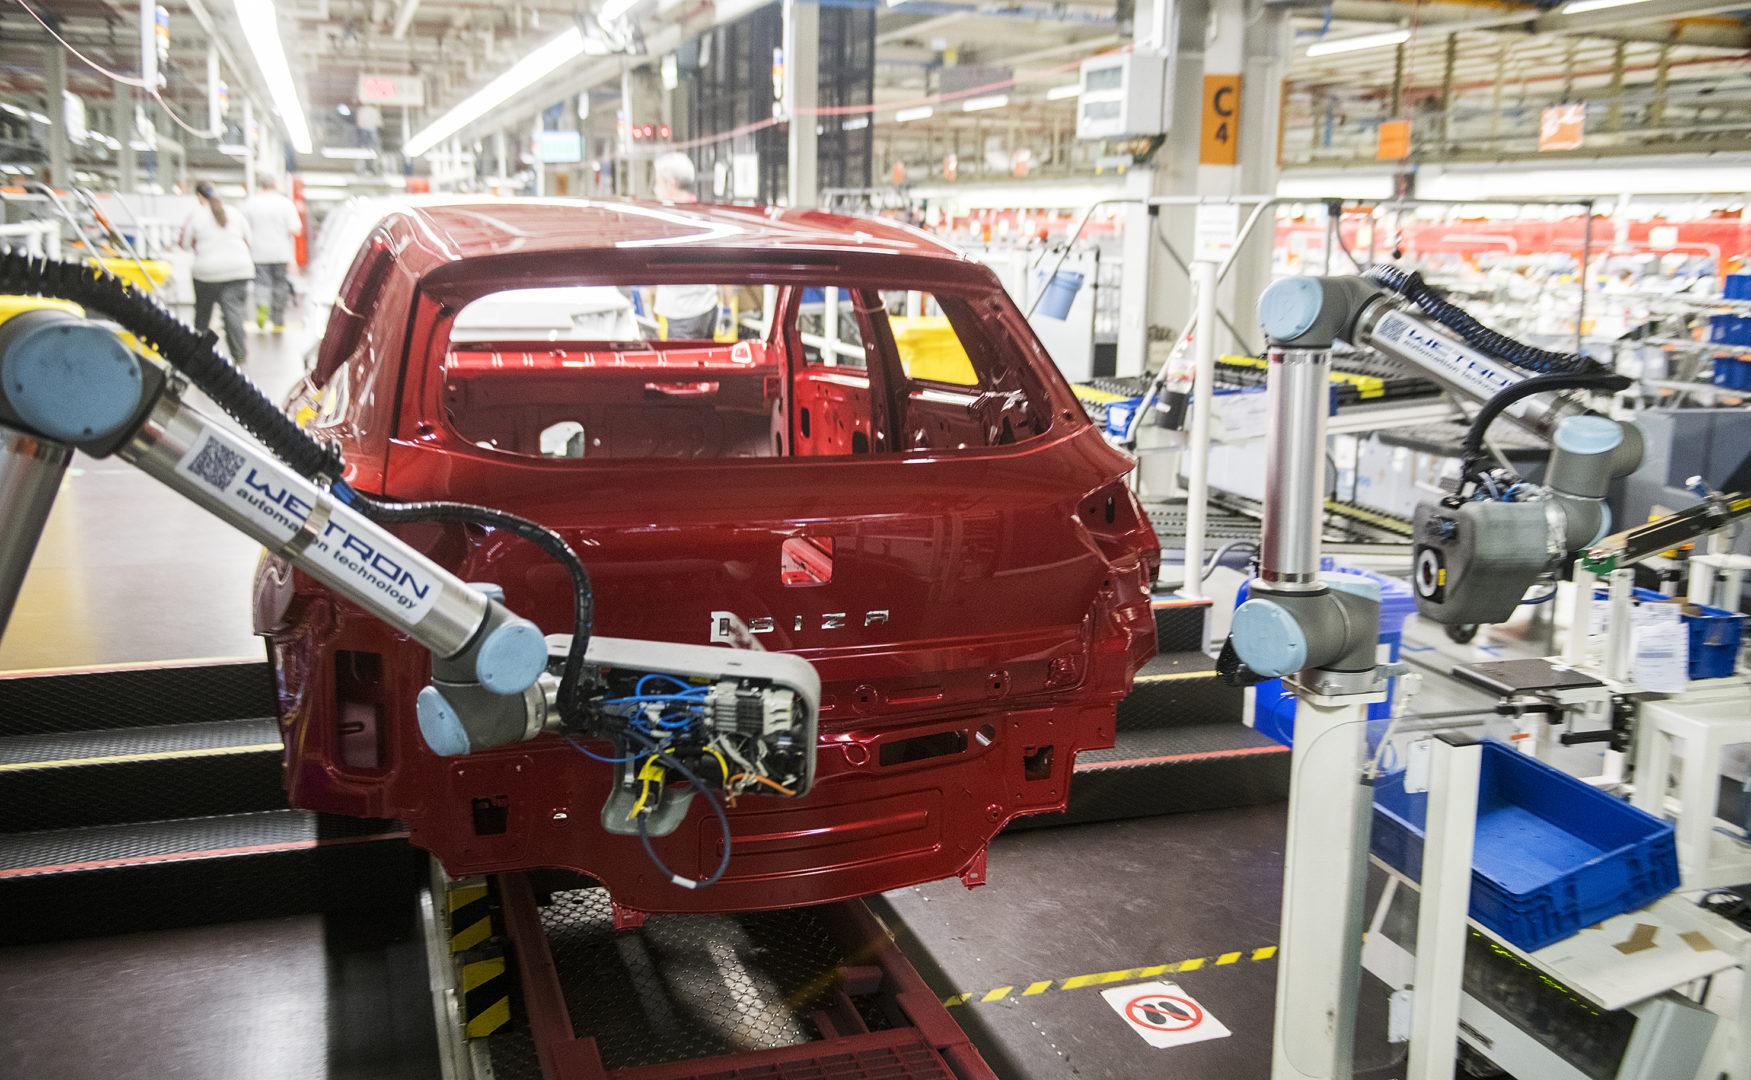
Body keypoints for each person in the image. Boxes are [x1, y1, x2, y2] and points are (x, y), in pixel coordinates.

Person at [180, 181, 254, 364]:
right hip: (239, 269)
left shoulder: (195, 217)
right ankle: (239, 354)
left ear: (199, 197)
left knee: (203, 315)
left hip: (207, 273)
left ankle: (199, 355)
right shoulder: (235, 212)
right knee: (233, 314)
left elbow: (185, 244)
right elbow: (249, 239)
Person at [650, 152, 722, 341]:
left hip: (684, 313)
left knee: (683, 360)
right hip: (707, 308)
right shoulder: (703, 214)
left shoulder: (671, 220)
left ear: (670, 184)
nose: (655, 190)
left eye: (657, 182)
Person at [243, 175, 302, 332]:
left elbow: (244, 229)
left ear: (261, 186)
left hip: (258, 252)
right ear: (275, 186)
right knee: (280, 284)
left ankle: (262, 306)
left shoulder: (251, 203)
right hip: (280, 252)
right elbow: (295, 229)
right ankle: (277, 320)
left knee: (261, 283)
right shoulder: (285, 203)